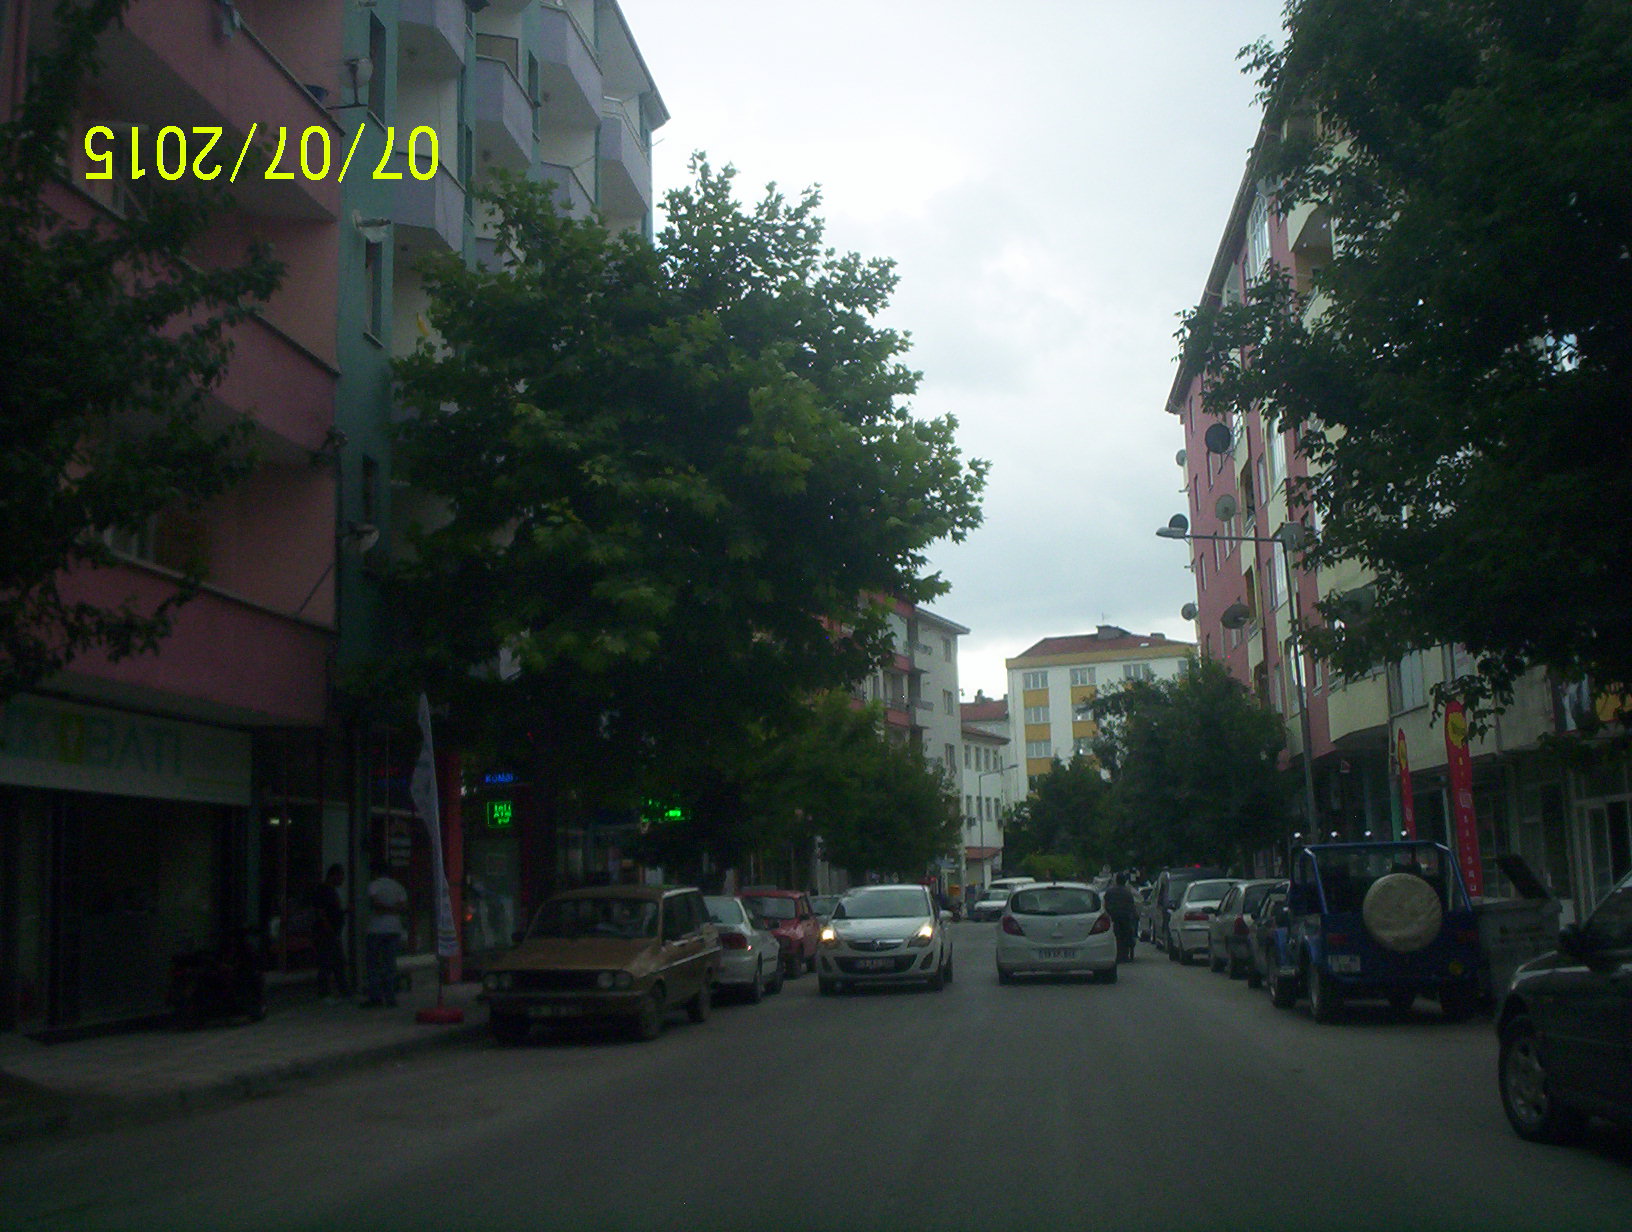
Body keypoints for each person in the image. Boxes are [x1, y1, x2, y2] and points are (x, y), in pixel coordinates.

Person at [361, 858, 407, 1008]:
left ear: (375, 872)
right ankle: (390, 997)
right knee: (390, 964)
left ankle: (375, 997)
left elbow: (375, 905)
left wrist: (384, 909)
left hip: (376, 929)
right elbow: (402, 907)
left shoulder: (373, 885)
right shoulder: (398, 887)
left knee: (373, 965)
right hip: (394, 929)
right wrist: (393, 910)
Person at [309, 863, 349, 1003]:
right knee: (327, 962)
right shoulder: (323, 890)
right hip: (326, 933)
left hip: (333, 932)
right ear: (333, 875)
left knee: (338, 963)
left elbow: (332, 912)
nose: (342, 880)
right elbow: (321, 913)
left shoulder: (331, 891)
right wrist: (329, 928)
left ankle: (344, 991)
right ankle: (325, 993)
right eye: (341, 876)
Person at [1105, 872, 1139, 963]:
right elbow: (1131, 906)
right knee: (1127, 934)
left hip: (1113, 917)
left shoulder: (1110, 891)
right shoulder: (1127, 892)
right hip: (1125, 918)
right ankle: (1125, 953)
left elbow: (1105, 904)